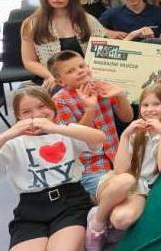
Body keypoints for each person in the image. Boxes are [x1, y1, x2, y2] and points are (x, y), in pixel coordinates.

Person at [0, 86, 105, 251]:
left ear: (52, 107)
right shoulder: (13, 143)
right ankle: (48, 243)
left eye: (41, 106)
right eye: (26, 111)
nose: (36, 115)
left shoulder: (66, 131)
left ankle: (75, 231)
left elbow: (99, 138)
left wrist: (54, 128)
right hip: (31, 208)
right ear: (18, 117)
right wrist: (7, 134)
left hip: (70, 200)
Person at [85, 85, 161, 251]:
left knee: (121, 220)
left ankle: (105, 215)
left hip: (141, 188)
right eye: (145, 105)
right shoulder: (136, 131)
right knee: (127, 179)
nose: (150, 109)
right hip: (118, 182)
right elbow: (120, 170)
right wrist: (125, 135)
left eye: (156, 104)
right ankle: (98, 223)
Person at [47, 50, 134, 196]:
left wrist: (120, 95)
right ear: (60, 81)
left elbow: (127, 118)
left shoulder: (102, 87)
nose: (80, 71)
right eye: (70, 71)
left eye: (82, 66)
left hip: (118, 159)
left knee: (137, 193)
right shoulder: (60, 101)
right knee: (122, 194)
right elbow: (73, 139)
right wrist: (90, 109)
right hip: (89, 168)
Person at [21, 0, 108, 90]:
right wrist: (53, 76)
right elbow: (29, 62)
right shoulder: (31, 24)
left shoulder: (89, 20)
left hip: (86, 79)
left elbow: (102, 57)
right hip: (51, 79)